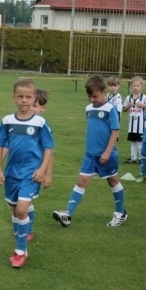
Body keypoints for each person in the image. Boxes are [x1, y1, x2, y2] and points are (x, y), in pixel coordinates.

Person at [0, 79, 54, 268]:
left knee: (21, 209)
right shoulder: (7, 121)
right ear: (14, 98)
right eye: (20, 96)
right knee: (14, 209)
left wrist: (43, 170)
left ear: (34, 98)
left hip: (31, 173)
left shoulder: (40, 123)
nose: (24, 100)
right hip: (12, 173)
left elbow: (48, 148)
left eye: (28, 97)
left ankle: (20, 250)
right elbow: (0, 145)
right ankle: (23, 233)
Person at [52, 75, 128, 228]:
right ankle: (68, 214)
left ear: (103, 91)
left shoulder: (110, 109)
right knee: (81, 182)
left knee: (113, 181)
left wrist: (107, 152)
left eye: (95, 96)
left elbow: (115, 131)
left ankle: (121, 212)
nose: (92, 99)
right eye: (89, 96)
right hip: (90, 154)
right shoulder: (88, 109)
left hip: (106, 154)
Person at [122, 76, 146, 164]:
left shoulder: (144, 98)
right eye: (134, 86)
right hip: (132, 125)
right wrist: (128, 106)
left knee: (140, 142)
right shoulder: (128, 98)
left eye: (138, 86)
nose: (135, 88)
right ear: (131, 87)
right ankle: (133, 158)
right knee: (133, 141)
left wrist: (144, 106)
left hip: (141, 125)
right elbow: (124, 109)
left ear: (141, 87)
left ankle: (141, 158)